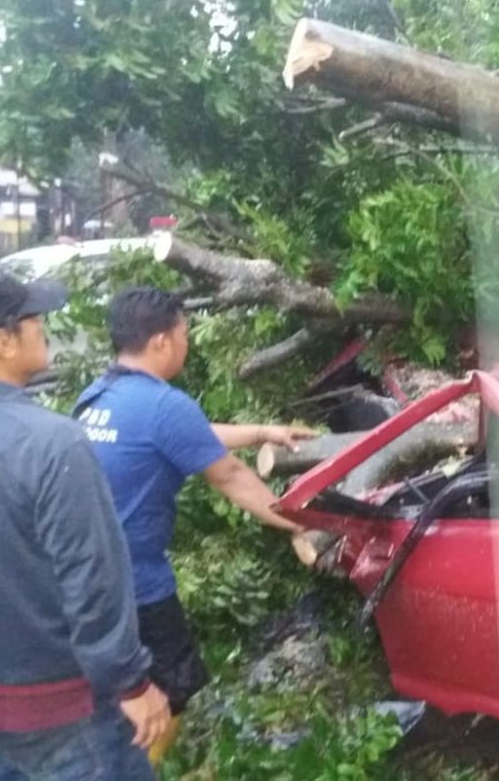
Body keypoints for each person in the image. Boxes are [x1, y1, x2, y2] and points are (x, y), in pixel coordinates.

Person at [72, 286, 313, 763]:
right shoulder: (163, 404)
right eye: (184, 333)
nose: (187, 343)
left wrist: (263, 432)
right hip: (139, 587)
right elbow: (231, 476)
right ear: (162, 341)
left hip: (85, 582)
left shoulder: (98, 398)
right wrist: (299, 523)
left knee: (110, 700)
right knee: (171, 690)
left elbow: (186, 435)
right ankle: (138, 771)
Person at [0, 258, 170, 780]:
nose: (44, 327)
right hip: (63, 715)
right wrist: (132, 683)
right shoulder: (50, 443)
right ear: (2, 341)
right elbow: (93, 578)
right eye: (33, 317)